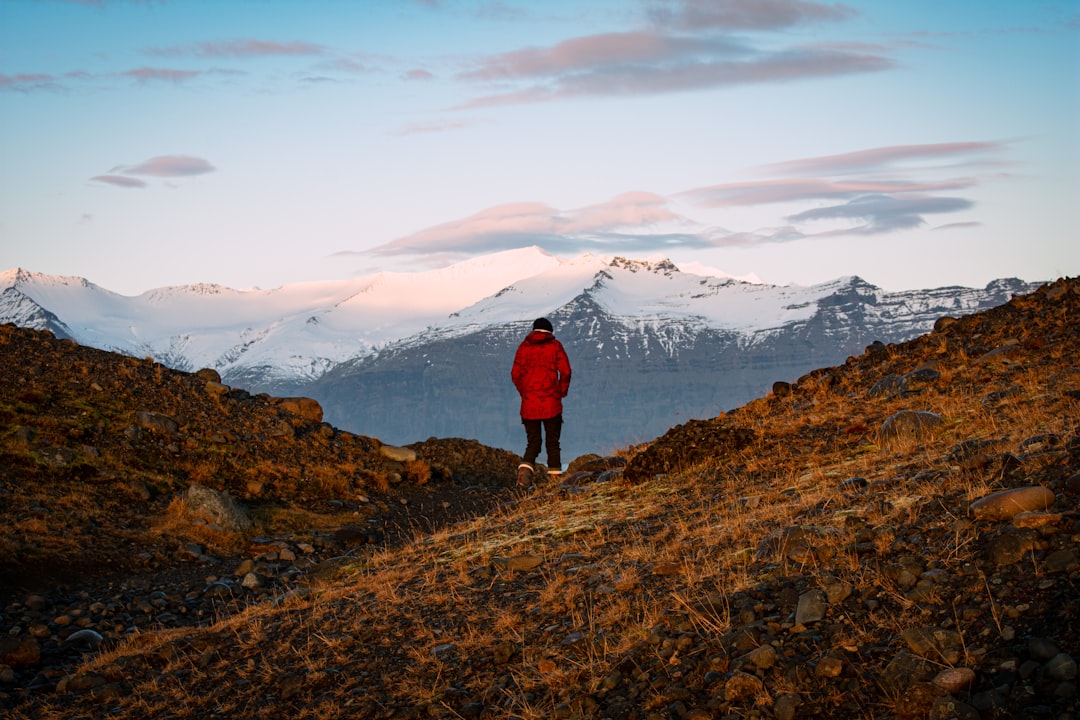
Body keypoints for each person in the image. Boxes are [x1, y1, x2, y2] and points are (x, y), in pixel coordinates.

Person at [511, 317, 571, 487]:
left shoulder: (524, 347)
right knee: (553, 443)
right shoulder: (555, 346)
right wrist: (561, 391)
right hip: (552, 403)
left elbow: (515, 374)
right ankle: (555, 482)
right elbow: (566, 371)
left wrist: (525, 393)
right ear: (550, 331)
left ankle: (523, 479)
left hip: (529, 405)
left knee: (533, 443)